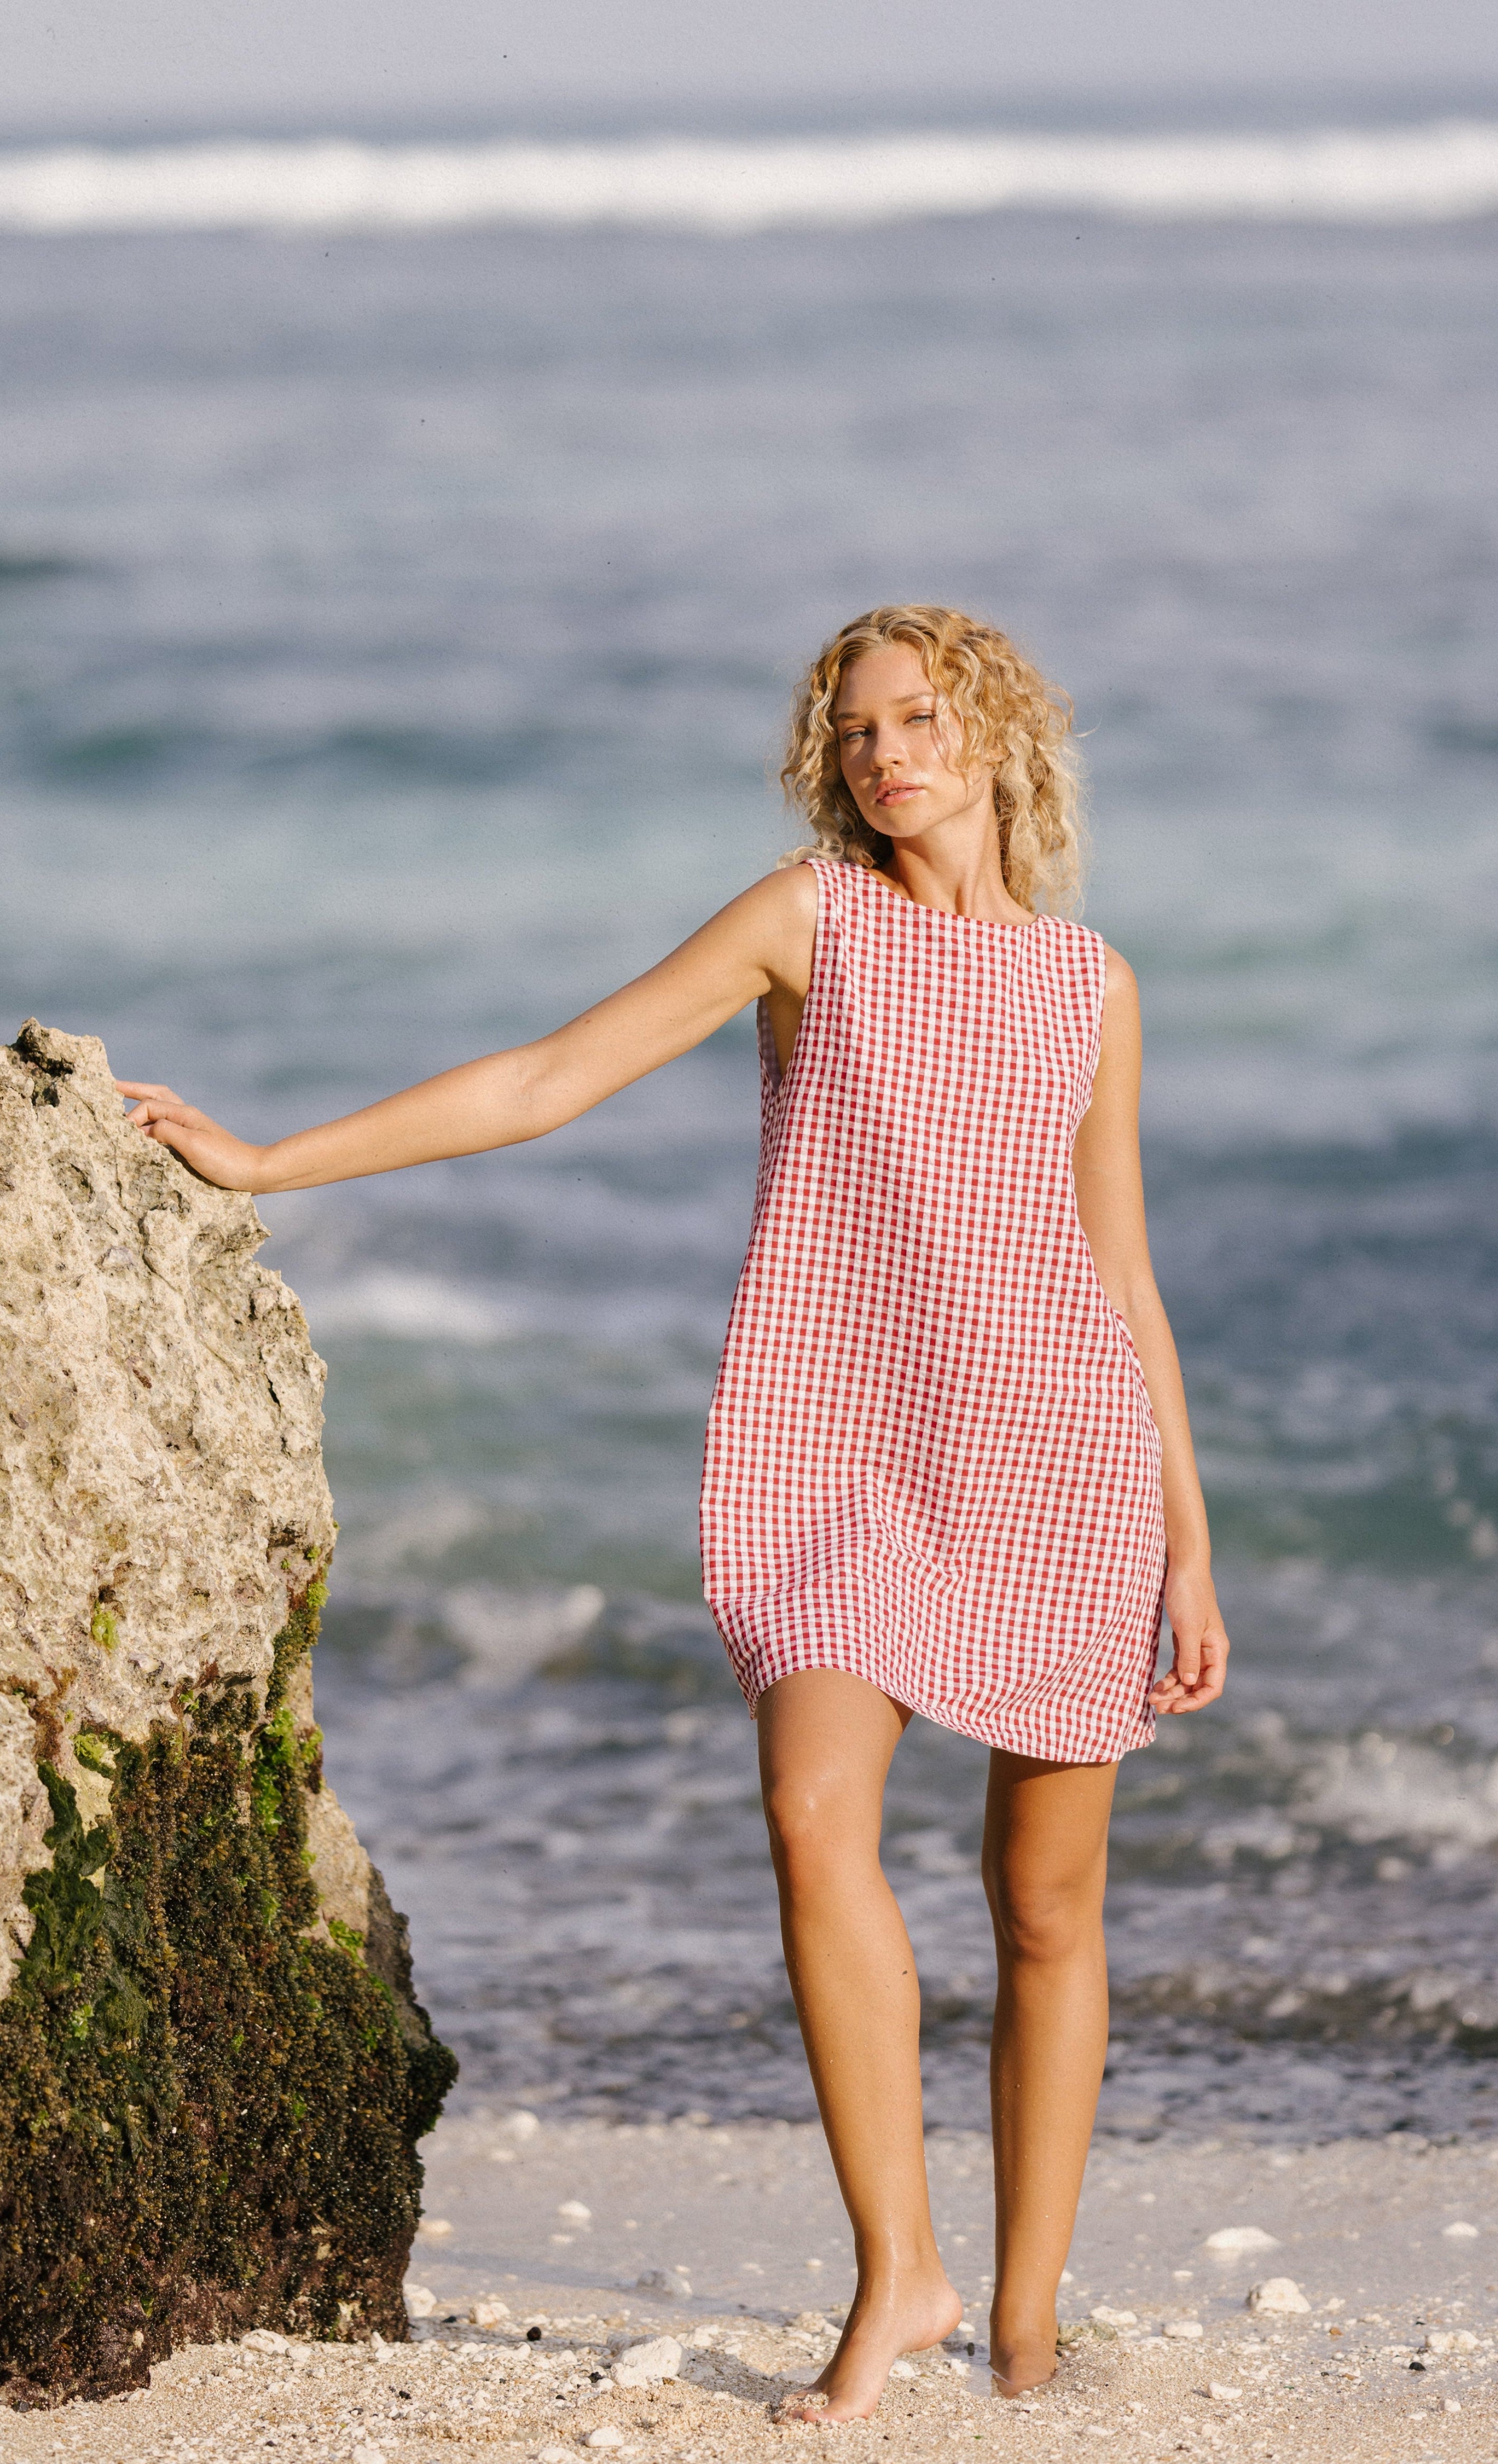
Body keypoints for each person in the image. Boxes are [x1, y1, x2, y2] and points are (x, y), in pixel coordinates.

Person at [119, 603, 1230, 2424]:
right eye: (856, 730)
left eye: (921, 717)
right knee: (811, 1811)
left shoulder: (1092, 985)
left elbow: (1123, 1270)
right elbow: (550, 1079)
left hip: (1062, 1457)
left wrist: (1190, 1533)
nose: (888, 753)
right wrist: (268, 1156)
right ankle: (905, 2276)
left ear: (1002, 734)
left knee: (1044, 1910)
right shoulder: (812, 924)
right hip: (834, 1447)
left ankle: (1028, 2320)